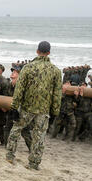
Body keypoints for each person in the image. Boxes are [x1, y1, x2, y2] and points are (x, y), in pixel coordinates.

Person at [6, 41, 62, 171]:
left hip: (26, 107)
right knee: (39, 136)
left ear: (37, 51)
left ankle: (10, 155)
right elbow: (57, 94)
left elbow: (19, 89)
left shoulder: (28, 68)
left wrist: (14, 107)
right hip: (43, 110)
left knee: (16, 129)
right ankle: (34, 163)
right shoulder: (56, 71)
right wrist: (55, 112)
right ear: (49, 52)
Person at [3, 65, 32, 148]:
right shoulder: (9, 85)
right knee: (7, 127)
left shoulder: (25, 86)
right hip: (11, 110)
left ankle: (31, 148)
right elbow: (5, 97)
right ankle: (7, 146)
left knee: (24, 131)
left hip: (21, 112)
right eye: (13, 71)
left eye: (15, 72)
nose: (13, 73)